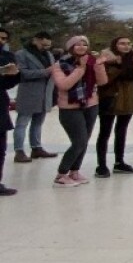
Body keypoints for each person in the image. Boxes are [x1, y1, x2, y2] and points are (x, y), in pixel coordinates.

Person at [93, 37, 133, 176]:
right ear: (115, 45)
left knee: (122, 130)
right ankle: (101, 164)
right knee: (105, 132)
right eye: (122, 43)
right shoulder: (105, 59)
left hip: (128, 98)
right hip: (110, 98)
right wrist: (117, 65)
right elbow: (103, 80)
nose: (126, 46)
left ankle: (119, 161)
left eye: (129, 43)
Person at [51, 36, 99, 187]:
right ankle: (61, 174)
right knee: (79, 141)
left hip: (90, 105)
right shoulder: (60, 65)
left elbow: (103, 81)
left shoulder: (92, 62)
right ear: (70, 48)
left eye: (85, 44)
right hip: (69, 108)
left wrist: (99, 65)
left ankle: (75, 171)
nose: (82, 47)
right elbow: (64, 85)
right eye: (77, 44)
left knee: (84, 142)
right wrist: (80, 69)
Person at [13, 31, 58, 163]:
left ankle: (36, 147)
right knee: (22, 123)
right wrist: (46, 71)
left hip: (45, 93)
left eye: (48, 45)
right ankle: (19, 150)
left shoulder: (48, 54)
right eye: (43, 45)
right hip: (29, 92)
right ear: (35, 40)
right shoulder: (21, 54)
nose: (46, 48)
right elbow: (23, 73)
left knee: (38, 122)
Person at [0, 28, 20, 195]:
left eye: (4, 38)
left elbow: (8, 84)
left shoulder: (8, 57)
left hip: (0, 106)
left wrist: (13, 75)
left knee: (0, 148)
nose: (2, 41)